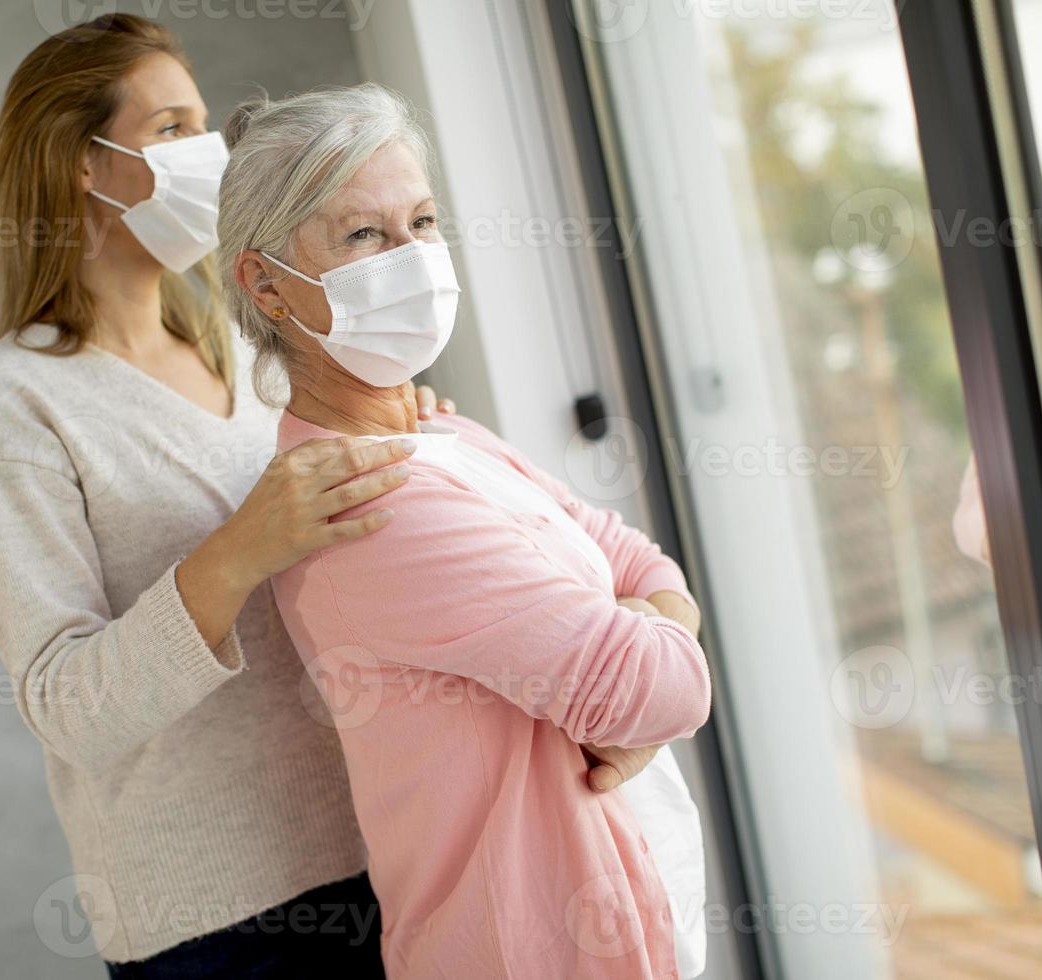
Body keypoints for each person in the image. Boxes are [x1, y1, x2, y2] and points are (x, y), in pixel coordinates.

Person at [0, 15, 653, 978]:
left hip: (398, 856)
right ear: (81, 165)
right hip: (223, 924)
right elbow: (67, 704)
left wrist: (394, 425)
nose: (210, 157)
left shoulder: (252, 356)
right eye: (172, 129)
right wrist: (239, 550)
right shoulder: (7, 405)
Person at [219, 82, 712, 979]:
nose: (407, 258)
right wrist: (648, 664)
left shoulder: (444, 434)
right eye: (362, 234)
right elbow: (663, 688)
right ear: (264, 283)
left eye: (422, 222)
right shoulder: (374, 504)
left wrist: (648, 644)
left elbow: (645, 562)